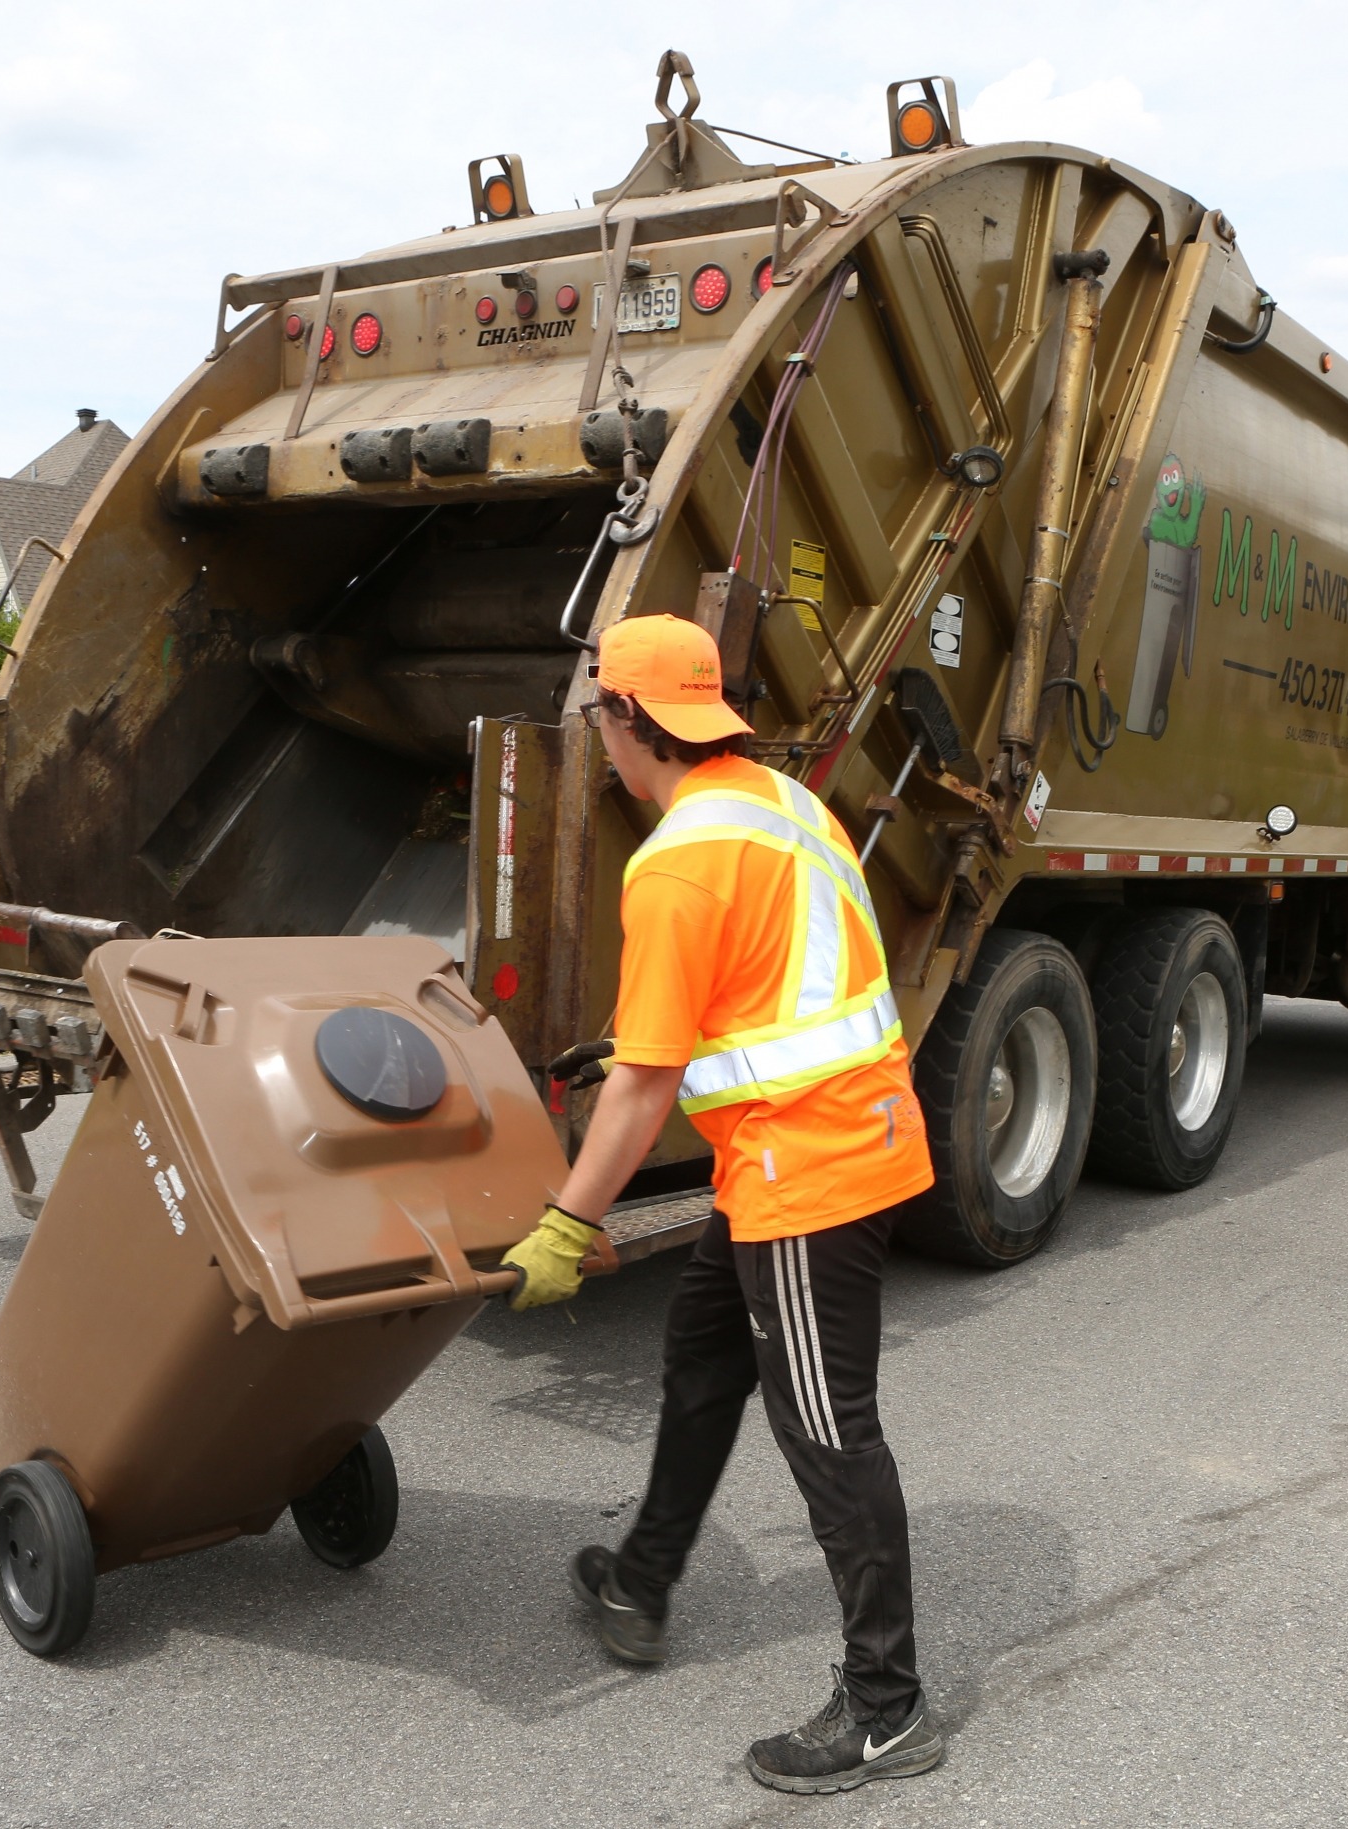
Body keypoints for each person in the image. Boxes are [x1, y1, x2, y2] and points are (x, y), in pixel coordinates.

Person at [500, 612, 942, 1796]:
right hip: (815, 1143)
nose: (597, 729)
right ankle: (642, 1578)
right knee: (702, 1353)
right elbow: (766, 987)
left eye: (600, 709)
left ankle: (886, 1706)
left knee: (827, 1427)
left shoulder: (679, 858)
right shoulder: (782, 801)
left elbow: (646, 1093)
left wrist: (565, 1221)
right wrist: (639, 1044)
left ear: (630, 720)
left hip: (810, 1171)